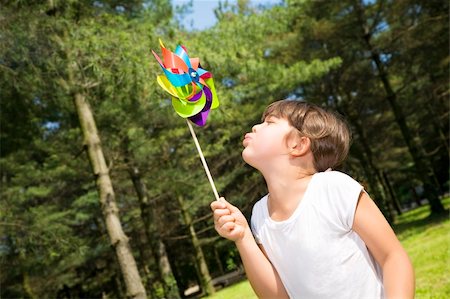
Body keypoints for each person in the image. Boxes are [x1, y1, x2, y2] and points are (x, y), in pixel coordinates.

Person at [211, 100, 414, 298]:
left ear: (298, 145)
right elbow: (278, 295)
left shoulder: (333, 188)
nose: (255, 127)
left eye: (270, 122)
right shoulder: (260, 214)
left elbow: (392, 257)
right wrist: (243, 236)